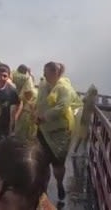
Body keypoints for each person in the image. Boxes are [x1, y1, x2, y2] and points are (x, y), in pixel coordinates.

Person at [35, 62, 77, 204]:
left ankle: (59, 183)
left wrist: (44, 116)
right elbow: (38, 101)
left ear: (55, 73)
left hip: (59, 133)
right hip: (42, 130)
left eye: (46, 72)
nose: (44, 74)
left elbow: (62, 107)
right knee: (41, 162)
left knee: (58, 164)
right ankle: (43, 192)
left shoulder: (64, 88)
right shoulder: (42, 86)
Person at [12, 64, 38, 140]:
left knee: (21, 133)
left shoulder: (17, 76)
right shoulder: (27, 78)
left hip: (26, 108)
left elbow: (28, 93)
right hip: (30, 107)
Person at [72, 85, 99, 154]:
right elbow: (91, 109)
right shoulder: (90, 100)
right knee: (82, 136)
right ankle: (77, 150)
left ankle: (82, 150)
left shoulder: (87, 99)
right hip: (85, 119)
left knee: (86, 135)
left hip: (84, 118)